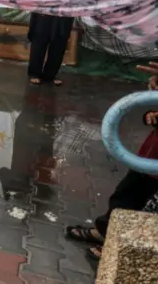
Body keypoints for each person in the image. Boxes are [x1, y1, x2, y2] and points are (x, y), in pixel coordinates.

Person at [65, 67, 158, 261]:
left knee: (146, 211)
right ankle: (105, 232)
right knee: (125, 196)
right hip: (150, 159)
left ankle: (117, 246)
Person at [27, 12, 74, 86]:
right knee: (39, 42)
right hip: (44, 11)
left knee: (59, 44)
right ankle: (34, 74)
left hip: (63, 13)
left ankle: (50, 76)